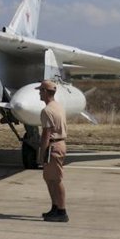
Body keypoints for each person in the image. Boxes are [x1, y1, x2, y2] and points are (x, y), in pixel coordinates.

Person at [37, 79, 69, 222]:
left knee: (56, 179)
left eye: (40, 91)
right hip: (59, 144)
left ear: (45, 92)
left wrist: (41, 153)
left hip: (53, 146)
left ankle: (62, 212)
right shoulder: (58, 106)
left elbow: (46, 134)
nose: (39, 93)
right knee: (49, 178)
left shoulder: (47, 110)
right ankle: (55, 208)